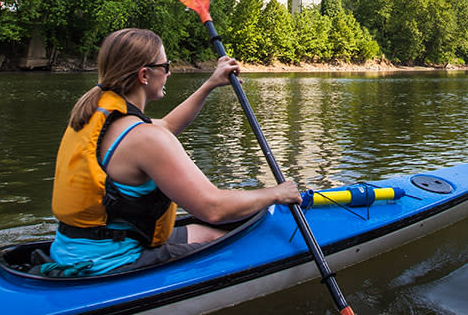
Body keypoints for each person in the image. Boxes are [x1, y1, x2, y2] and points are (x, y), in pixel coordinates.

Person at [47, 28, 300, 275]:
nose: (168, 74)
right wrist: (276, 193)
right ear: (145, 75)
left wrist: (210, 84)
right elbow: (213, 208)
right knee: (239, 244)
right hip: (110, 262)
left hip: (71, 251)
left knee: (210, 233)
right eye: (165, 67)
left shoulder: (95, 116)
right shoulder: (146, 139)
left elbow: (167, 125)